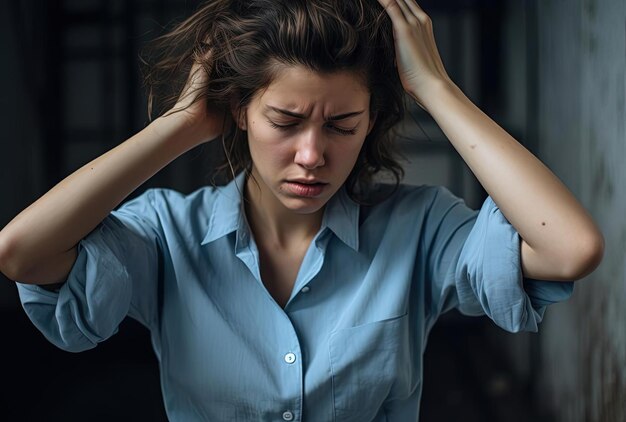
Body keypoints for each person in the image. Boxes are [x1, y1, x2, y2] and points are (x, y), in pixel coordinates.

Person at [0, 0, 604, 420]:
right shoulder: (166, 234)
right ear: (238, 110)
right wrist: (181, 126)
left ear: (371, 123)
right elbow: (21, 251)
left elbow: (569, 247)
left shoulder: (420, 229)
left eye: (342, 125)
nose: (312, 155)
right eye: (284, 122)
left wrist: (436, 90)